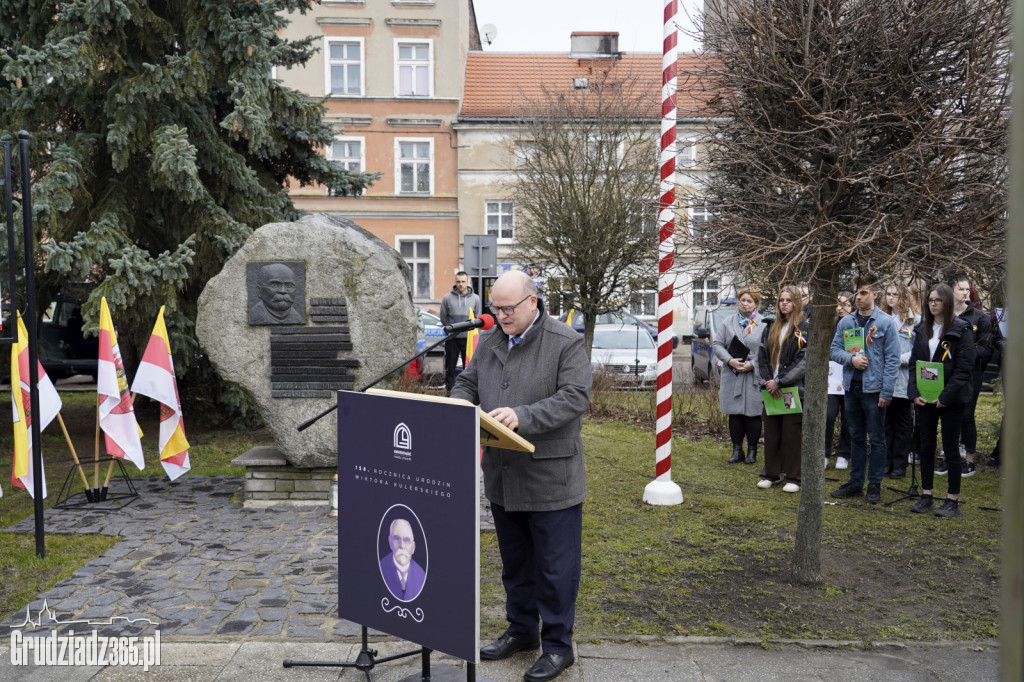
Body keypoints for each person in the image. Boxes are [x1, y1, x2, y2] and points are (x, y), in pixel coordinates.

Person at [451, 270, 591, 682]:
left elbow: (575, 397)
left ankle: (558, 647)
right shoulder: (491, 340)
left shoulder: (565, 341)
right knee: (515, 565)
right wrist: (460, 405)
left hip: (551, 478)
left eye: (508, 308)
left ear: (533, 302)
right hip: (503, 476)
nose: (500, 315)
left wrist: (522, 416)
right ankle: (522, 630)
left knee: (555, 569)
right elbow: (466, 383)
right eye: (495, 307)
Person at [830, 273, 901, 504]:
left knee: (877, 439)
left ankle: (874, 485)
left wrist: (886, 391)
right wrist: (851, 360)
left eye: (863, 293)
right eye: (855, 293)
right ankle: (855, 482)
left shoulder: (886, 323)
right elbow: (834, 350)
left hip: (875, 390)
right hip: (852, 387)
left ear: (875, 294)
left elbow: (892, 359)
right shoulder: (846, 322)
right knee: (856, 437)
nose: (858, 297)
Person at [907, 284, 977, 518]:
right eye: (930, 300)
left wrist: (945, 396)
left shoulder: (961, 329)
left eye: (937, 300)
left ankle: (951, 500)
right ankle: (926, 495)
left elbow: (964, 369)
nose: (933, 304)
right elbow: (914, 364)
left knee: (950, 448)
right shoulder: (922, 329)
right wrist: (914, 392)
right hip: (925, 398)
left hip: (950, 400)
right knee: (926, 446)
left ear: (947, 303)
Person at [756, 286, 807, 492]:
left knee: (791, 434)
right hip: (771, 389)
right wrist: (769, 380)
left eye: (789, 300)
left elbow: (803, 361)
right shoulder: (771, 327)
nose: (784, 303)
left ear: (797, 303)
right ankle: (770, 473)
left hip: (791, 389)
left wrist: (781, 381)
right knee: (771, 433)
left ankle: (793, 477)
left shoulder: (803, 328)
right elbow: (762, 356)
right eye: (781, 300)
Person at [944, 274, 992, 477]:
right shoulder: (944, 315)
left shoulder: (980, 317)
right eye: (961, 289)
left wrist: (965, 354)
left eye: (967, 289)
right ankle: (949, 457)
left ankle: (969, 461)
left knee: (966, 415)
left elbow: (986, 349)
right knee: (947, 414)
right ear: (951, 290)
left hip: (970, 373)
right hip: (947, 372)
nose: (965, 293)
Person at [711, 288, 765, 464]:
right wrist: (729, 360)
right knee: (734, 413)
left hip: (753, 375)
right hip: (733, 374)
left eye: (749, 301)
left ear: (756, 304)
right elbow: (717, 344)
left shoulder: (764, 323)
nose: (745, 304)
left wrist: (753, 364)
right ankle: (737, 450)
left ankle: (752, 451)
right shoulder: (728, 322)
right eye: (743, 300)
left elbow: (768, 349)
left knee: (753, 414)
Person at [881, 281, 918, 479]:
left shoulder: (914, 320)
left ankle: (899, 464)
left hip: (904, 379)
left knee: (902, 424)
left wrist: (897, 360)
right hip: (884, 379)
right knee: (886, 423)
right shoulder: (882, 318)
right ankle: (886, 462)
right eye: (888, 293)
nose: (891, 297)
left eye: (895, 294)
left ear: (903, 296)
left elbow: (917, 350)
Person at [439, 271, 482, 392]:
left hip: (469, 338)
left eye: (463, 281)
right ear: (455, 282)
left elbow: (477, 318)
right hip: (452, 338)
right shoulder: (447, 298)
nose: (460, 284)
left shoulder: (475, 299)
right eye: (458, 282)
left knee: (469, 367)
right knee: (450, 367)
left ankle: (468, 392)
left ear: (467, 282)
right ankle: (450, 392)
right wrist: (451, 329)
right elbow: (443, 318)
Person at [826, 291, 853, 470]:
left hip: (850, 376)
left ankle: (844, 453)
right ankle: (825, 453)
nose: (840, 308)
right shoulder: (831, 325)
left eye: (845, 304)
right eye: (838, 304)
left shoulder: (855, 325)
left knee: (848, 417)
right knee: (828, 415)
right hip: (831, 378)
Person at [379, 518, 427, 601]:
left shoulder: (421, 576)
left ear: (413, 547)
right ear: (390, 542)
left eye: (406, 540)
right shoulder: (381, 567)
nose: (402, 545)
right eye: (397, 538)